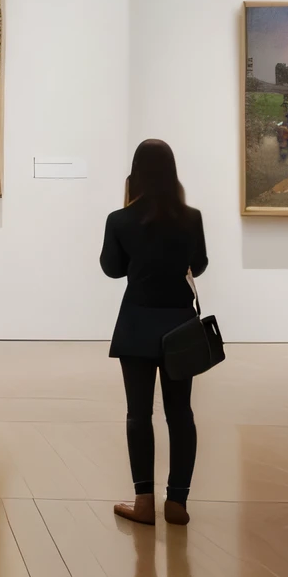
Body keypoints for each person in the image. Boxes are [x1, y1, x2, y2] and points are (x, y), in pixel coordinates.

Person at [101, 140, 208, 528]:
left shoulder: (120, 219)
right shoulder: (191, 217)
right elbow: (201, 264)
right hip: (179, 323)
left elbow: (112, 269)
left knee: (138, 414)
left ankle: (143, 501)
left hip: (136, 324)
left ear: (136, 174)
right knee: (181, 413)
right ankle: (176, 502)